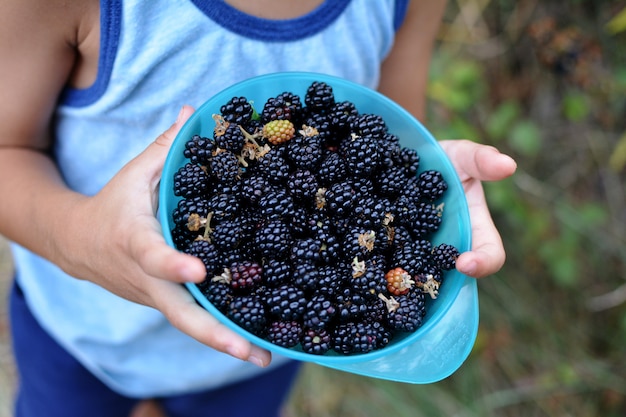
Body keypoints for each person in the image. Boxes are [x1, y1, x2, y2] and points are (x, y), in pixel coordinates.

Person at [0, 0, 517, 416]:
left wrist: (427, 182)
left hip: (254, 357)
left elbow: (391, 130)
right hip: (85, 334)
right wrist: (79, 241)